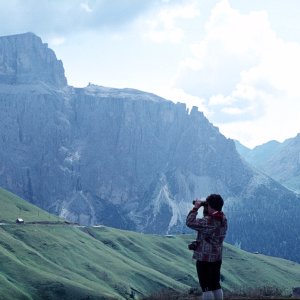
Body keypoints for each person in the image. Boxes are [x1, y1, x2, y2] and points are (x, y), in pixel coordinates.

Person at [186, 194, 227, 300]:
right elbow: (207, 230)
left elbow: (189, 222)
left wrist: (196, 208)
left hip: (204, 258)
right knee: (215, 284)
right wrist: (205, 208)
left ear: (211, 206)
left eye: (207, 205)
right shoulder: (223, 218)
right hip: (217, 256)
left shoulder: (208, 221)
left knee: (206, 287)